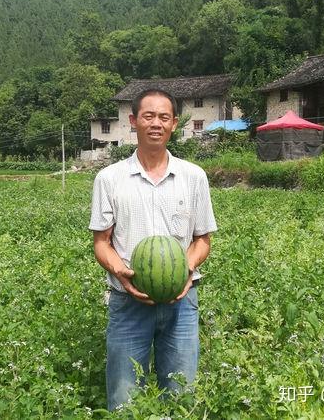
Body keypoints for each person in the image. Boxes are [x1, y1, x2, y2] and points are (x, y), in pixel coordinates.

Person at [89, 89, 217, 411]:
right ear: (134, 122)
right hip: (127, 301)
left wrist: (185, 269)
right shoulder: (109, 178)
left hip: (182, 304)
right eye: (148, 116)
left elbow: (203, 240)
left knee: (180, 394)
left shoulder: (194, 177)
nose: (156, 123)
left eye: (164, 117)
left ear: (175, 123)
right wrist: (120, 270)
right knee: (124, 399)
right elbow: (101, 243)